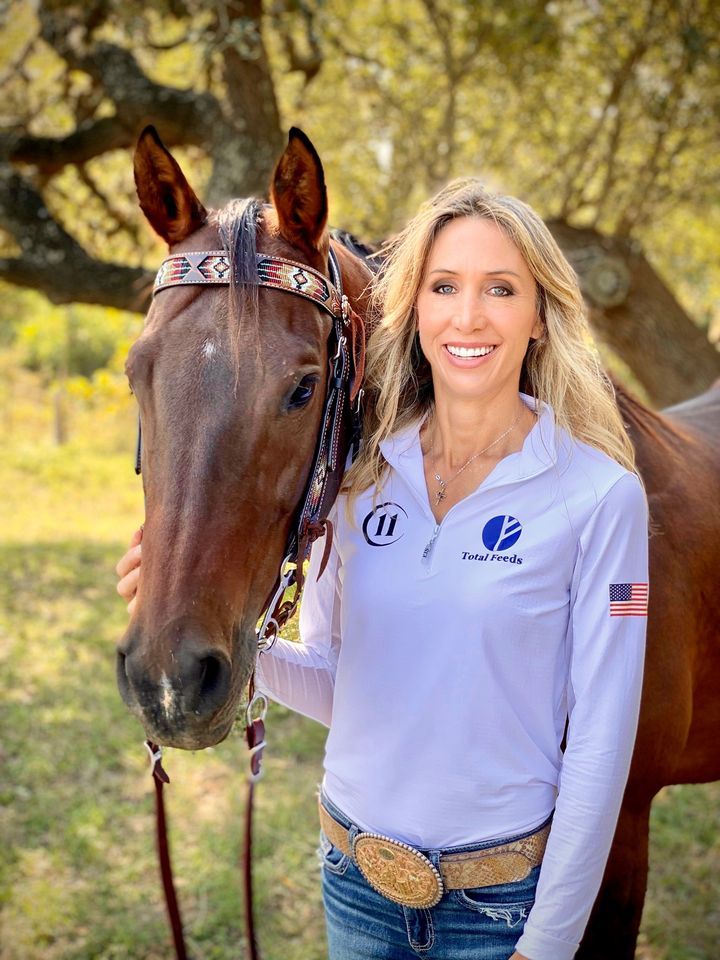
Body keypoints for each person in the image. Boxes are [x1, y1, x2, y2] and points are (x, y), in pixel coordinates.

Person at [116, 179, 649, 960]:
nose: (467, 316)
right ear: (416, 309)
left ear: (540, 315)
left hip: (498, 911)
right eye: (444, 287)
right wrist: (219, 636)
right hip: (355, 887)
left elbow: (603, 741)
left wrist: (550, 942)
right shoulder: (357, 484)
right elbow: (344, 682)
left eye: (500, 289)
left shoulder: (603, 497)